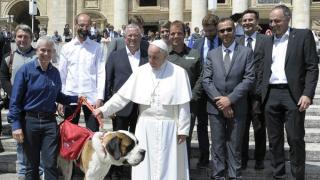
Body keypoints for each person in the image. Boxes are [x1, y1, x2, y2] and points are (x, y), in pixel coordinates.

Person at [94, 39, 191, 180]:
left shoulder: (179, 73)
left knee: (168, 163)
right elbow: (122, 96)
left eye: (155, 57)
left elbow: (183, 104)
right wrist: (103, 109)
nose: (151, 60)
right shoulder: (141, 72)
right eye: (150, 56)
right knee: (145, 165)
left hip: (170, 126)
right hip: (145, 126)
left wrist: (183, 129)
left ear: (165, 56)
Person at [8, 36, 79, 180]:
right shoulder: (25, 71)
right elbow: (15, 101)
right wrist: (16, 125)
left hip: (49, 123)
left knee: (50, 164)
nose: (46, 53)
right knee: (31, 166)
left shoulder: (55, 72)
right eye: (42, 50)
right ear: (37, 50)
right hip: (30, 122)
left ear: (53, 52)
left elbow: (57, 95)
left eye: (49, 51)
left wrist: (77, 99)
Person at [261, 5, 319, 180]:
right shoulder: (267, 41)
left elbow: (312, 67)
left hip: (293, 96)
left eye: (277, 20)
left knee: (295, 139)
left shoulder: (302, 36)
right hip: (270, 95)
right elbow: (260, 68)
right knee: (274, 141)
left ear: (288, 19)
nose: (272, 24)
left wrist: (307, 93)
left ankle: (297, 176)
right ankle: (278, 175)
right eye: (271, 21)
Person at [202, 17, 254, 179]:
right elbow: (206, 80)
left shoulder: (246, 52)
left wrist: (229, 100)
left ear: (234, 30)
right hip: (215, 107)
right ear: (218, 33)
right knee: (217, 145)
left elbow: (249, 79)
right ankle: (218, 175)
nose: (225, 33)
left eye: (229, 29)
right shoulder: (212, 54)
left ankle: (234, 175)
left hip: (238, 107)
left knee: (235, 145)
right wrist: (222, 102)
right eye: (222, 30)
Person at [105, 23, 148, 179]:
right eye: (129, 35)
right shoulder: (115, 56)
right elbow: (108, 82)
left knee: (138, 142)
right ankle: (116, 172)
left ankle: (136, 172)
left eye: (136, 35)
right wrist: (110, 106)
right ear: (124, 37)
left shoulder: (147, 56)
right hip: (120, 109)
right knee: (118, 144)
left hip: (141, 108)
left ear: (140, 37)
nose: (132, 38)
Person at [0, 24, 44, 180]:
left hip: (36, 107)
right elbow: (4, 78)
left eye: (26, 37)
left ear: (31, 38)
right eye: (19, 36)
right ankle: (22, 174)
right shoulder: (8, 57)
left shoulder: (39, 56)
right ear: (15, 37)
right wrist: (15, 94)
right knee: (20, 143)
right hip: (17, 107)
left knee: (38, 143)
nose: (22, 40)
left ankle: (39, 173)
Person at [58, 13, 105, 132]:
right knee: (70, 135)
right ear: (75, 25)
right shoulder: (66, 48)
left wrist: (100, 97)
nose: (84, 28)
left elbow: (101, 73)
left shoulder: (97, 47)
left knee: (93, 134)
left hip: (92, 97)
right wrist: (60, 99)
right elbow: (62, 75)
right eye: (82, 25)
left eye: (87, 26)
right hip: (70, 96)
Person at [167, 20, 203, 169]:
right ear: (169, 35)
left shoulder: (194, 54)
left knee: (184, 139)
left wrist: (192, 96)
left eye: (179, 33)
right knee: (168, 139)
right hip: (168, 105)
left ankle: (184, 171)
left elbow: (202, 77)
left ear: (185, 34)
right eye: (173, 33)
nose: (176, 36)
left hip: (189, 104)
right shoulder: (164, 55)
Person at [237, 9, 268, 170]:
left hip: (258, 93)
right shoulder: (237, 42)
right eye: (245, 20)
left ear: (257, 22)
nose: (247, 23)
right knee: (241, 127)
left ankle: (259, 158)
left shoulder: (266, 41)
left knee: (259, 127)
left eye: (250, 20)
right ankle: (242, 159)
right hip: (241, 93)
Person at [192, 13, 220, 169]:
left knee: (219, 126)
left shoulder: (224, 41)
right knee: (201, 125)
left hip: (219, 90)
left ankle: (219, 158)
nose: (208, 34)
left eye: (211, 31)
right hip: (201, 91)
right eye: (206, 31)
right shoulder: (197, 43)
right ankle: (203, 157)